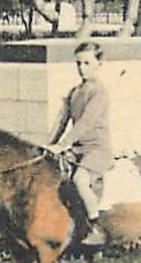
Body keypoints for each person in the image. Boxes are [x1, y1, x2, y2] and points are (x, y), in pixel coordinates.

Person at [47, 40, 112, 244]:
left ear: (99, 64)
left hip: (97, 149)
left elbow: (85, 123)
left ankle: (96, 227)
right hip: (77, 149)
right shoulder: (75, 92)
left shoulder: (100, 92)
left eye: (87, 63)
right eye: (79, 64)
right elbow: (62, 119)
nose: (82, 68)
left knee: (80, 179)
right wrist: (49, 144)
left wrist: (63, 144)